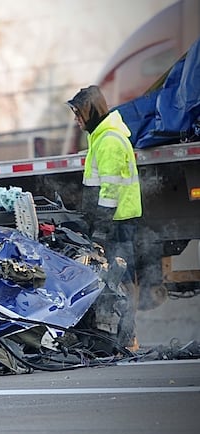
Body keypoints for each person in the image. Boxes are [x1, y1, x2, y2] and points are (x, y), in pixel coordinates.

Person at [68, 85, 142, 351]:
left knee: (121, 278)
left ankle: (128, 337)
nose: (76, 121)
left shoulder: (109, 140)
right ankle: (119, 336)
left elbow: (109, 191)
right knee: (115, 278)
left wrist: (100, 228)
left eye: (79, 114)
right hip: (115, 219)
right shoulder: (100, 137)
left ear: (91, 112)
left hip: (118, 221)